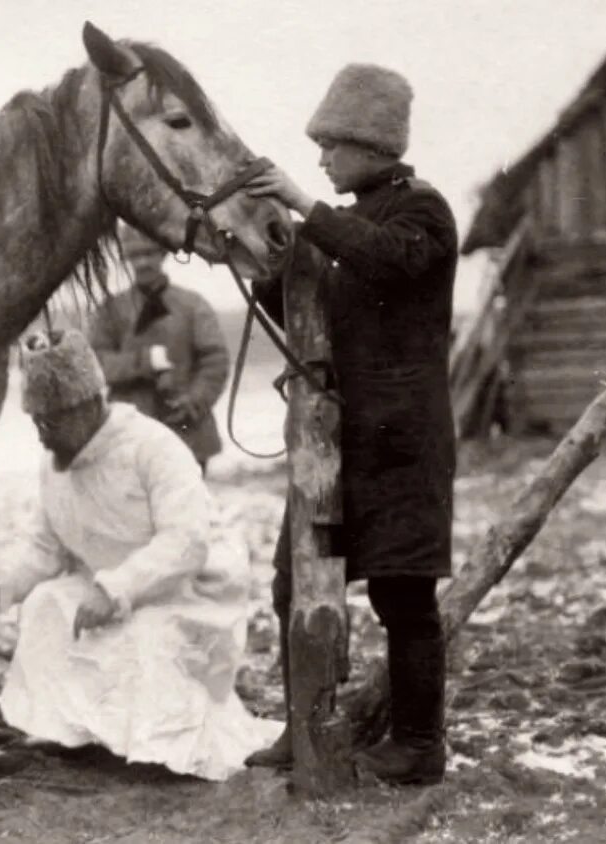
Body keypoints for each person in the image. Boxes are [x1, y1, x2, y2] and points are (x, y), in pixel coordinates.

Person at [241, 63, 458, 785]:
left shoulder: (422, 212)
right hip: (332, 444)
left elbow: (389, 265)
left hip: (399, 442)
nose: (322, 160)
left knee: (403, 591)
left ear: (372, 145)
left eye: (333, 145)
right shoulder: (339, 227)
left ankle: (420, 744)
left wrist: (305, 206)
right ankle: (304, 723)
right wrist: (267, 255)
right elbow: (305, 317)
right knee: (292, 584)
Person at [0, 329, 281, 781]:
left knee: (145, 635)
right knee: (46, 605)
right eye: (36, 424)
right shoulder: (56, 467)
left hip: (190, 593)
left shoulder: (153, 447)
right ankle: (80, 734)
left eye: (50, 424)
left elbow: (185, 543)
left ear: (88, 406)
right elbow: (45, 547)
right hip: (110, 586)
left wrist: (115, 590)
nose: (43, 439)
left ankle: (154, 751)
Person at [88, 223, 230, 475]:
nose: (142, 262)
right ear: (126, 259)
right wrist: (143, 362)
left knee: (188, 508)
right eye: (134, 255)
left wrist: (194, 402)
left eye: (149, 253)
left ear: (163, 254)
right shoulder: (111, 310)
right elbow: (95, 363)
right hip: (129, 435)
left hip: (187, 433)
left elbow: (215, 360)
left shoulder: (192, 305)